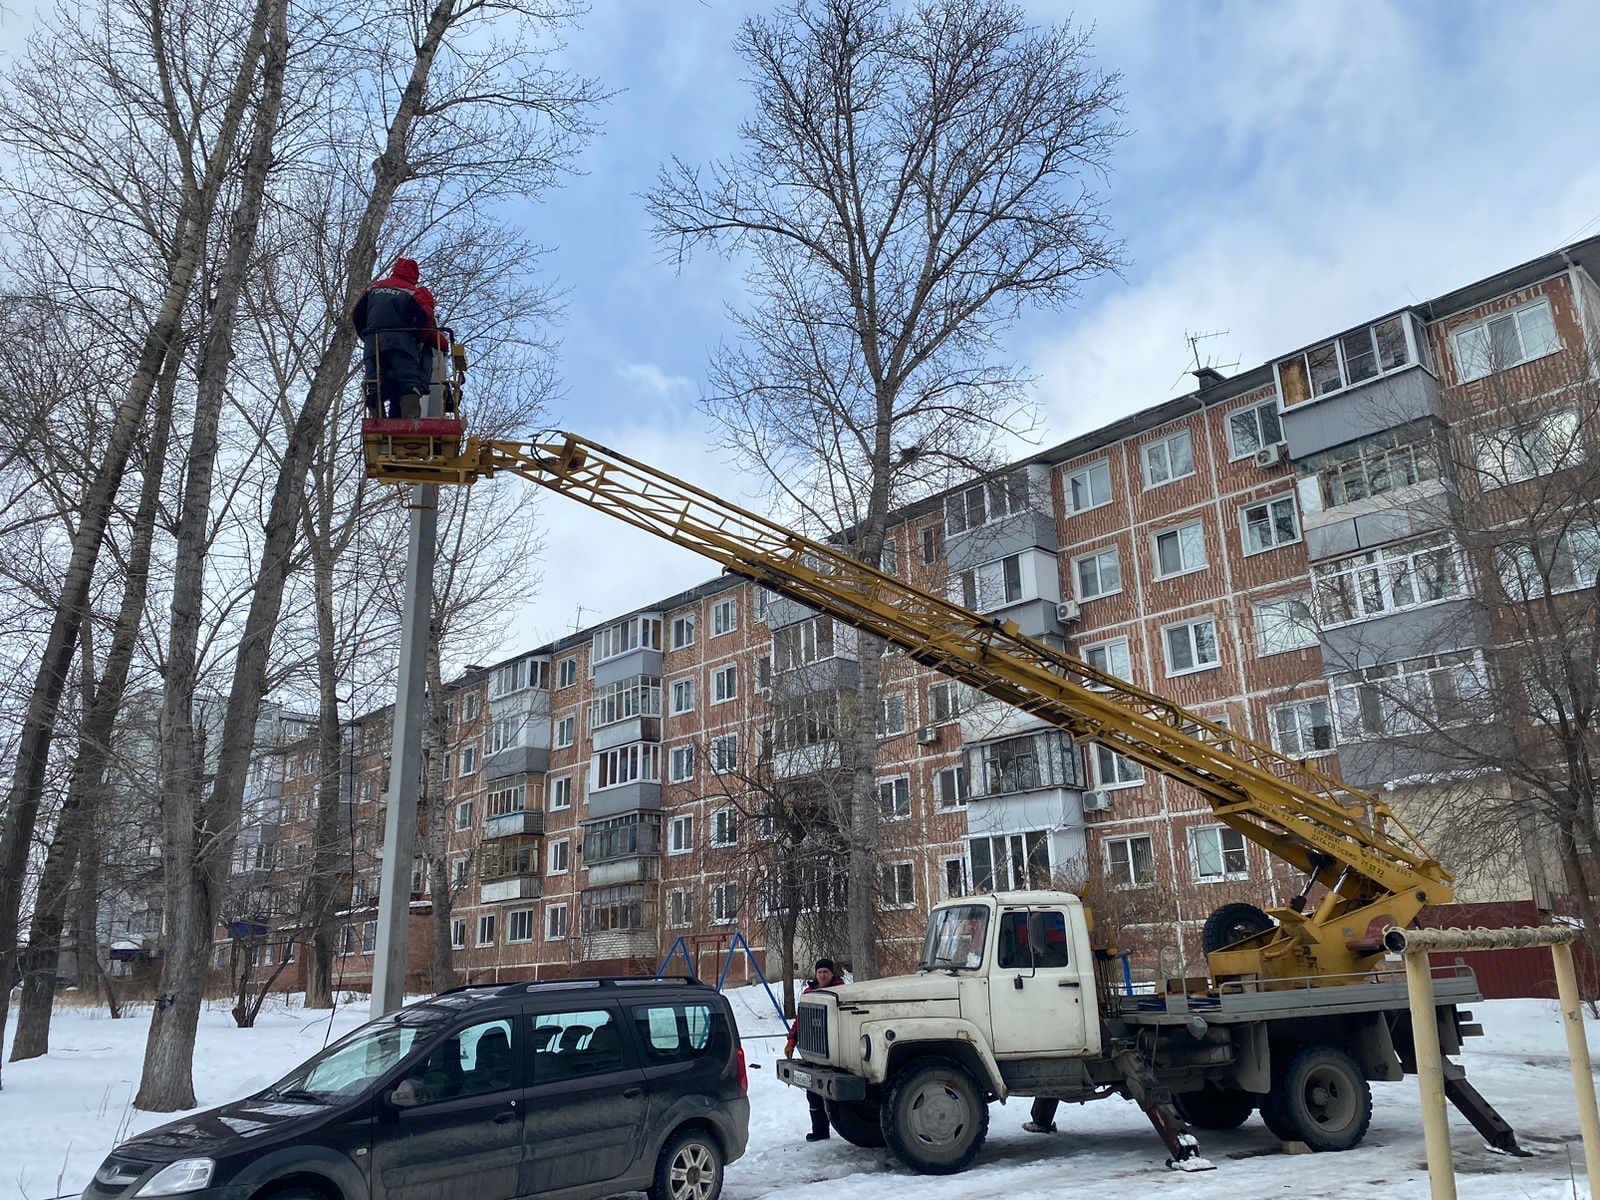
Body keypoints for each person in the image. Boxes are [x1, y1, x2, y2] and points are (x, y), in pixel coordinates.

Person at [351, 257, 448, 419]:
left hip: (373, 343)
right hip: (402, 343)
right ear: (414, 276)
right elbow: (425, 319)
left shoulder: (374, 288)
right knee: (408, 381)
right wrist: (420, 338)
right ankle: (410, 421)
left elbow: (357, 315)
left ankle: (377, 419)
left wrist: (368, 336)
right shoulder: (413, 292)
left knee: (374, 383)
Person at [784, 957, 843, 1142]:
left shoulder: (841, 992)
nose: (823, 975)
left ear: (832, 974)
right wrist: (791, 1041)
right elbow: (799, 1021)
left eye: (826, 972)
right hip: (812, 1050)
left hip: (836, 1051)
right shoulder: (809, 993)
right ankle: (819, 1130)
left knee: (833, 1092)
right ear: (816, 974)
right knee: (813, 1091)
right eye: (820, 972)